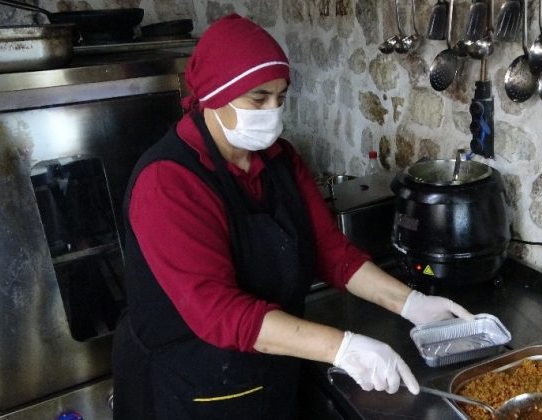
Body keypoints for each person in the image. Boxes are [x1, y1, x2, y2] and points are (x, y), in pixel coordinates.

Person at [111, 13, 473, 420]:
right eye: (259, 98)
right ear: (215, 95)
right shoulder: (167, 184)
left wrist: (412, 304)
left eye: (281, 97)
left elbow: (330, 252)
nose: (272, 111)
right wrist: (344, 347)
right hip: (191, 388)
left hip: (270, 367)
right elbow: (220, 314)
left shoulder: (281, 159)